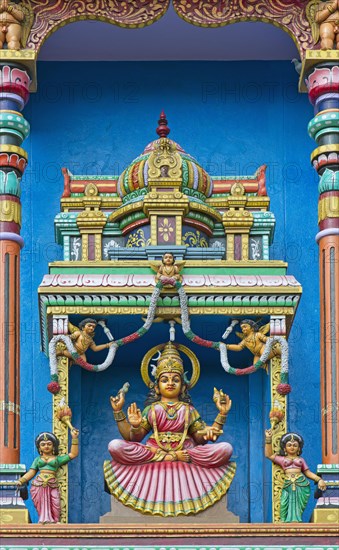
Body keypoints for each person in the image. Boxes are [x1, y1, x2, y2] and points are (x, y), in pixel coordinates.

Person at [104, 342, 236, 516]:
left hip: (187, 452)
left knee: (225, 449)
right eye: (164, 380)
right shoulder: (152, 409)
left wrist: (221, 416)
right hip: (154, 452)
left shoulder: (188, 410)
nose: (170, 383)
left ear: (183, 386)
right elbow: (133, 438)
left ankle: (170, 457)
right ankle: (166, 457)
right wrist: (122, 415)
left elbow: (200, 437)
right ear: (157, 387)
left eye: (176, 379)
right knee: (115, 446)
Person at [17, 429, 79, 523]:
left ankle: (54, 521)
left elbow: (73, 454)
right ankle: (43, 520)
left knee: (55, 503)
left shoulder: (57, 459)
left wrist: (74, 438)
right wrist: (21, 480)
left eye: (49, 444)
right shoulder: (38, 460)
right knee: (41, 504)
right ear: (39, 447)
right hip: (39, 484)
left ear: (53, 446)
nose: (46, 446)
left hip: (52, 483)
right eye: (43, 444)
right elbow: (32, 472)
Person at [265, 429, 326, 522]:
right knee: (284, 503)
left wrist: (319, 480)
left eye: (295, 445)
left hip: (301, 484)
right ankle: (285, 521)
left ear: (299, 448)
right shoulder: (282, 459)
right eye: (289, 445)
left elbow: (307, 472)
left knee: (297, 505)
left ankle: (295, 521)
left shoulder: (301, 460)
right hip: (288, 484)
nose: (292, 447)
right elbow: (268, 455)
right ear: (284, 448)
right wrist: (268, 439)